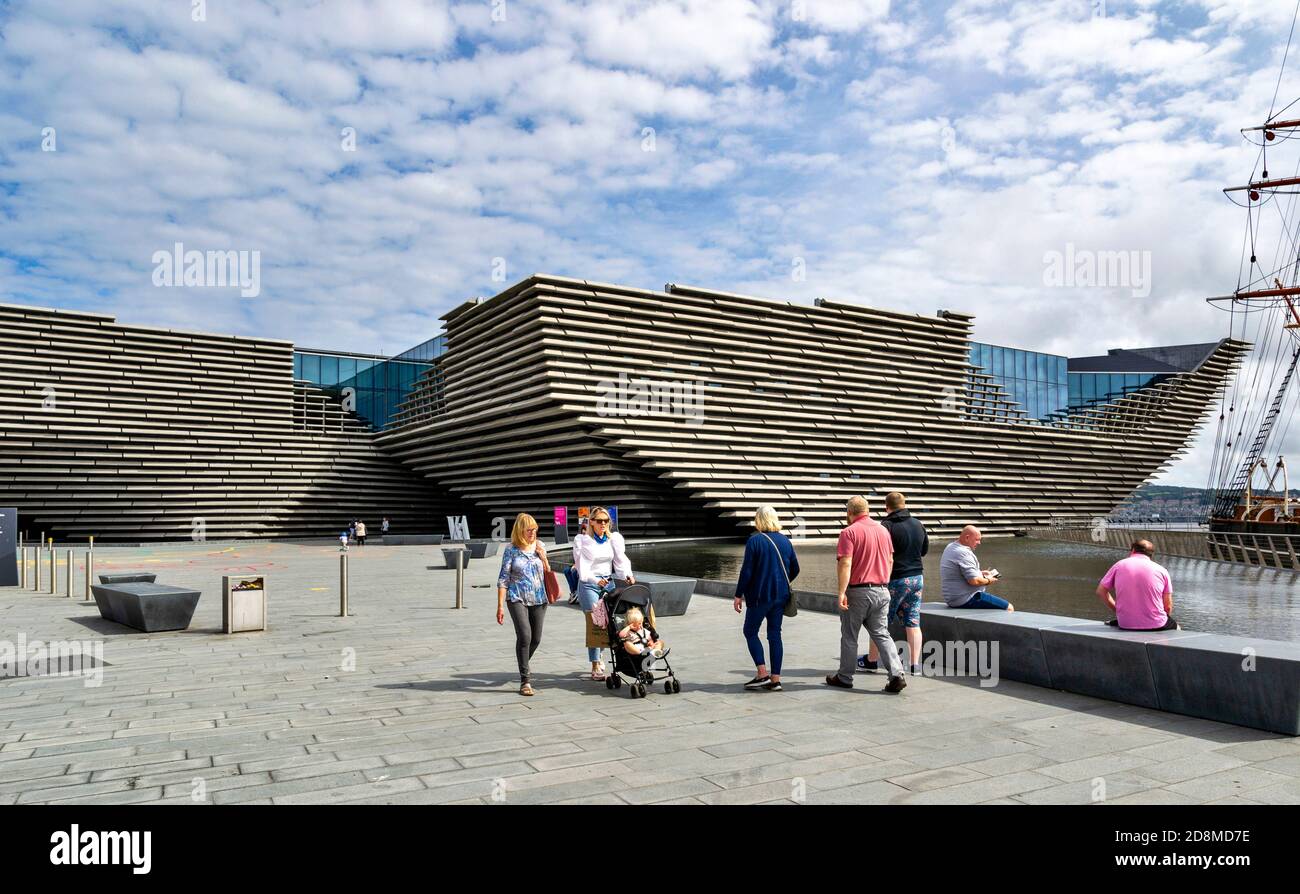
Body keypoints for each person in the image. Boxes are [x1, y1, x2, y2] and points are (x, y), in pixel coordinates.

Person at [826, 496, 907, 693]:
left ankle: (845, 677)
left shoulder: (848, 532)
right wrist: (883, 582)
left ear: (849, 512)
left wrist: (842, 592)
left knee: (849, 635)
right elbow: (889, 560)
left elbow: (845, 563)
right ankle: (897, 674)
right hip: (882, 589)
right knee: (882, 634)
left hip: (858, 591)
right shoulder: (883, 530)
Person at [860, 492, 927, 676]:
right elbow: (924, 550)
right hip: (917, 578)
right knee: (913, 621)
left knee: (878, 622)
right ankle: (915, 665)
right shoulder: (918, 524)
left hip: (895, 578)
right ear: (905, 504)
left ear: (886, 507)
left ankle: (872, 661)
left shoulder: (886, 526)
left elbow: (880, 553)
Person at [733, 506, 799, 692]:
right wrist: (782, 583)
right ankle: (775, 679)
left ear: (759, 520)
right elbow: (795, 568)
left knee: (750, 631)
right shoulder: (786, 541)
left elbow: (746, 571)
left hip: (760, 596)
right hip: (780, 596)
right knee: (774, 635)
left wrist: (739, 594)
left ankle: (762, 673)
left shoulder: (755, 541)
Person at [572, 506, 634, 681]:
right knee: (595, 622)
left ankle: (600, 655)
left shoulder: (613, 539)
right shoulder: (583, 540)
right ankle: (595, 664)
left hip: (608, 582)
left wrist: (627, 575)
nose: (603, 524)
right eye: (599, 521)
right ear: (591, 522)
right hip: (589, 584)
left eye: (606, 521)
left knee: (611, 622)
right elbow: (581, 566)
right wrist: (593, 580)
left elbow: (620, 560)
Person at [495, 513, 551, 697]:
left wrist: (543, 557)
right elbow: (503, 578)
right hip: (516, 597)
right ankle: (525, 680)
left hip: (539, 598)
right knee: (525, 636)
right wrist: (500, 606)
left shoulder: (540, 546)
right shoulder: (511, 549)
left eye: (535, 529)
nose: (533, 533)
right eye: (529, 530)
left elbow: (548, 573)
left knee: (536, 639)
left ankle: (524, 663)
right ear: (520, 530)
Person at [1096, 540, 1178, 631]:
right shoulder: (1162, 570)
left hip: (1125, 623)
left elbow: (1101, 591)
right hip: (1156, 624)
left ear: (1133, 550)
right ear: (1151, 554)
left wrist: (1118, 610)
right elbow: (1168, 606)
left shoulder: (1119, 565)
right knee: (1177, 628)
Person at [940, 525, 1014, 611]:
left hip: (953, 598)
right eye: (977, 540)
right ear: (967, 538)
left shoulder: (951, 546)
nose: (979, 543)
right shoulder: (963, 553)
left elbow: (959, 572)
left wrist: (980, 573)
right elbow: (974, 581)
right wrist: (989, 580)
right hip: (966, 598)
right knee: (1009, 607)